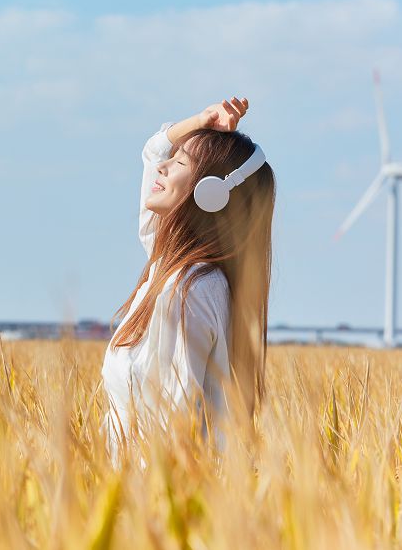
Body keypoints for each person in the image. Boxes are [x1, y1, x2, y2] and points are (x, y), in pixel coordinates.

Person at [100, 96, 275, 467]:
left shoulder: (190, 288)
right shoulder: (170, 264)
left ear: (211, 194)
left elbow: (173, 426)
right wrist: (201, 121)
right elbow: (154, 151)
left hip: (163, 504)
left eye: (179, 163)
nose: (162, 167)